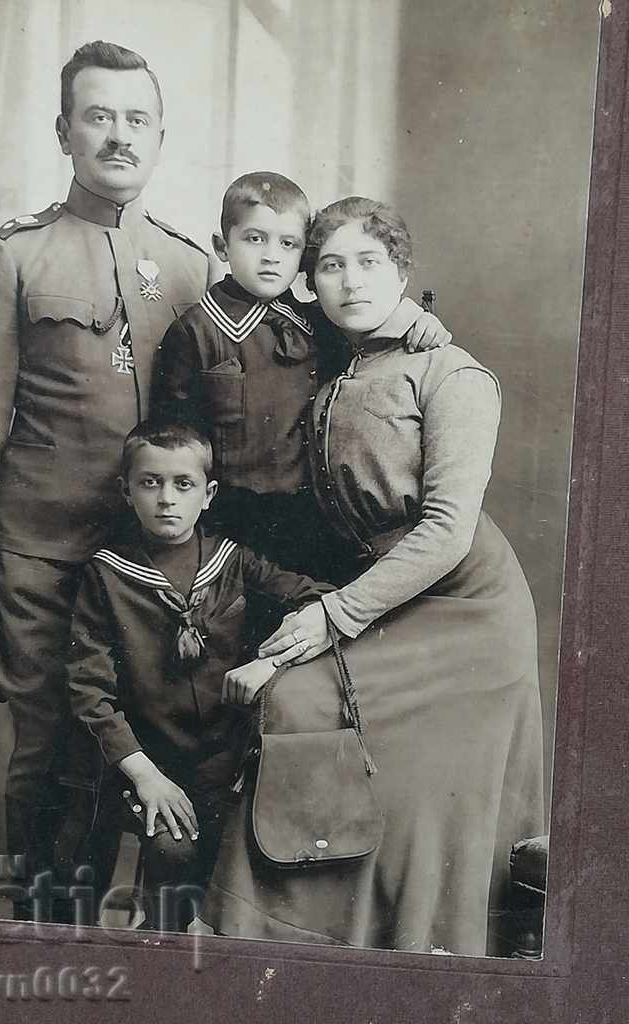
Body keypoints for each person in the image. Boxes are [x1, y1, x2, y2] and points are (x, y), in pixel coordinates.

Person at [202, 198, 545, 957]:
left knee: (307, 706)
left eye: (371, 263)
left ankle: (396, 946)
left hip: (462, 608)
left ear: (402, 271)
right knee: (294, 713)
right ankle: (294, 946)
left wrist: (330, 617)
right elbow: (242, 301)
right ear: (308, 280)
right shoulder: (337, 354)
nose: (352, 281)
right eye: (331, 265)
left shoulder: (453, 374)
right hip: (384, 590)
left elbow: (448, 530)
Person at [0, 40, 209, 915]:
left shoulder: (188, 265)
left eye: (137, 120)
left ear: (161, 137)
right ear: (64, 132)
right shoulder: (15, 256)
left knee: (137, 746)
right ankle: (50, 937)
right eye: (99, 117)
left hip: (149, 563)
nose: (119, 136)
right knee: (48, 748)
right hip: (43, 556)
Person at [61, 419, 333, 930]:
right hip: (154, 763)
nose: (167, 498)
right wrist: (146, 777)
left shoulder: (235, 562)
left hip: (232, 759)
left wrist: (270, 661)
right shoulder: (105, 575)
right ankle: (159, 952)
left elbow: (317, 603)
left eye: (182, 484)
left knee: (259, 862)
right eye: (150, 482)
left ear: (207, 495)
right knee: (175, 854)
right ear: (126, 490)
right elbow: (89, 690)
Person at [154, 172, 451, 576]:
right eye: (255, 239)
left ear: (302, 259)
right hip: (228, 521)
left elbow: (373, 323)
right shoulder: (195, 331)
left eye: (288, 243)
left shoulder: (319, 324)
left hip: (317, 520)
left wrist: (416, 317)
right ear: (222, 247)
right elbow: (174, 440)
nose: (272, 256)